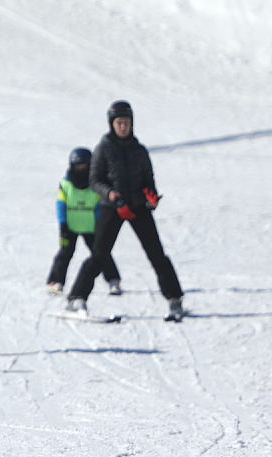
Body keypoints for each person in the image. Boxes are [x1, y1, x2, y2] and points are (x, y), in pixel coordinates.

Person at [66, 101, 184, 318]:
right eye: (119, 123)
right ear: (112, 124)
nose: (123, 127)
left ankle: (175, 300)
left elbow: (149, 179)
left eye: (127, 123)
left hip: (139, 207)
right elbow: (94, 180)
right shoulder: (103, 149)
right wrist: (110, 193)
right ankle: (77, 298)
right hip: (113, 207)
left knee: (157, 255)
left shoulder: (139, 150)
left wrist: (152, 198)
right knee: (99, 255)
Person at [46, 147, 122, 296]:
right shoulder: (66, 184)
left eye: (84, 166)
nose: (81, 169)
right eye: (77, 166)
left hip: (91, 227)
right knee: (65, 252)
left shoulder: (96, 185)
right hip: (70, 227)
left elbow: (101, 206)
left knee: (100, 253)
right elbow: (61, 205)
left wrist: (100, 224)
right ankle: (56, 282)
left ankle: (113, 280)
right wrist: (63, 223)